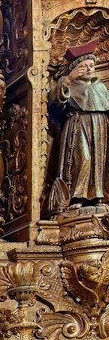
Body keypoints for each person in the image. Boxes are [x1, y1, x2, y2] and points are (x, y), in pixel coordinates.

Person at [48, 40, 109, 214]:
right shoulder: (67, 85)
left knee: (99, 161)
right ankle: (76, 197)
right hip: (78, 124)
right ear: (75, 69)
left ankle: (99, 196)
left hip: (100, 126)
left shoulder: (101, 87)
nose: (89, 69)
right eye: (84, 66)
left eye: (92, 65)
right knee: (83, 159)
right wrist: (68, 80)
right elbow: (54, 106)